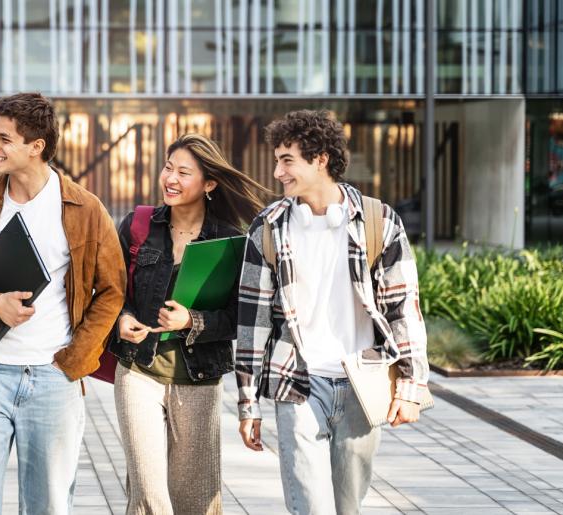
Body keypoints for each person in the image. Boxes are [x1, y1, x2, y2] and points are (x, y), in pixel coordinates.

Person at [236, 110, 430, 514]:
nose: (277, 172)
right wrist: (248, 403)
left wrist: (411, 387)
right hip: (297, 382)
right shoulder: (268, 228)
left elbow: (403, 308)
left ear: (320, 158)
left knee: (348, 506)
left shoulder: (379, 222)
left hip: (363, 384)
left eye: (287, 160)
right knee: (310, 506)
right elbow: (251, 323)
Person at [0, 92, 125, 514]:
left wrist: (77, 359)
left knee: (48, 505)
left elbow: (112, 289)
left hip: (52, 379)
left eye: (4, 139)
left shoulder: (86, 209)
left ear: (36, 146)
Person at [108, 134, 268, 514]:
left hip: (198, 380)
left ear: (209, 183)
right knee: (149, 495)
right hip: (138, 370)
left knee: (196, 499)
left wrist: (190, 320)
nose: (171, 179)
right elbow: (112, 291)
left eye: (183, 172)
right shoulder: (138, 225)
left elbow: (238, 318)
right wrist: (122, 318)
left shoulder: (231, 241)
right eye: (168, 167)